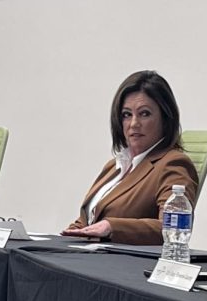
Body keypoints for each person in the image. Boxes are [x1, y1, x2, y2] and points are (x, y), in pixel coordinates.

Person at [62, 70, 198, 244]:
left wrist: (111, 227)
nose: (134, 124)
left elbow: (171, 228)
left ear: (165, 118)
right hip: (87, 256)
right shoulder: (114, 166)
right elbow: (88, 220)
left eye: (144, 114)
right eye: (127, 115)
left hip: (125, 265)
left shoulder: (173, 164)